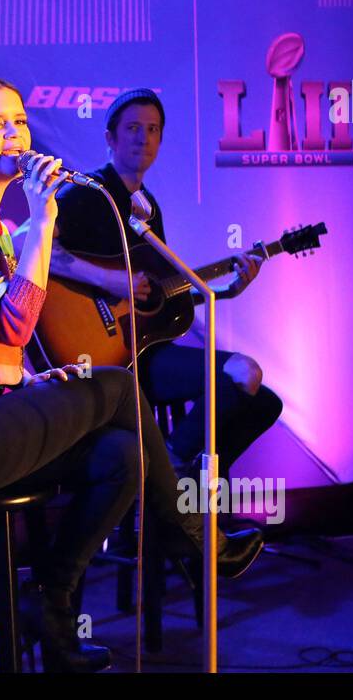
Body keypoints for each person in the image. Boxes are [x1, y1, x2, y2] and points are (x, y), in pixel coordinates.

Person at [0, 76, 263, 672]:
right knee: (117, 385)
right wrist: (42, 219)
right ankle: (193, 536)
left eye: (20, 122)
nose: (16, 134)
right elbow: (8, 324)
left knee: (122, 456)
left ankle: (49, 603)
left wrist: (25, 382)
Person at [50, 88, 284, 476]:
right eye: (133, 128)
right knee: (242, 371)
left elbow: (155, 300)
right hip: (108, 359)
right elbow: (28, 244)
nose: (144, 137)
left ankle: (193, 506)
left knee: (263, 404)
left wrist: (226, 289)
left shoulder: (147, 205)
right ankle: (170, 463)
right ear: (110, 138)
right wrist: (109, 279)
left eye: (153, 129)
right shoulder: (87, 192)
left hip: (145, 348)